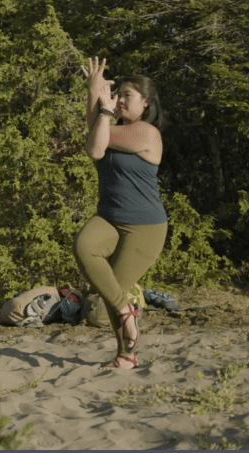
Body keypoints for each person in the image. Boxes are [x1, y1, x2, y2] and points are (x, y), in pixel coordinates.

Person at [74, 57, 168, 370]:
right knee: (84, 247)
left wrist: (101, 105)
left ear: (145, 103)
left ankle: (126, 355)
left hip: (144, 228)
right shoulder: (112, 127)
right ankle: (129, 312)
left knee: (103, 310)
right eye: (120, 94)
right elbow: (95, 133)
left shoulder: (145, 133)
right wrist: (93, 90)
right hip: (110, 218)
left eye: (128, 96)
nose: (121, 100)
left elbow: (95, 147)